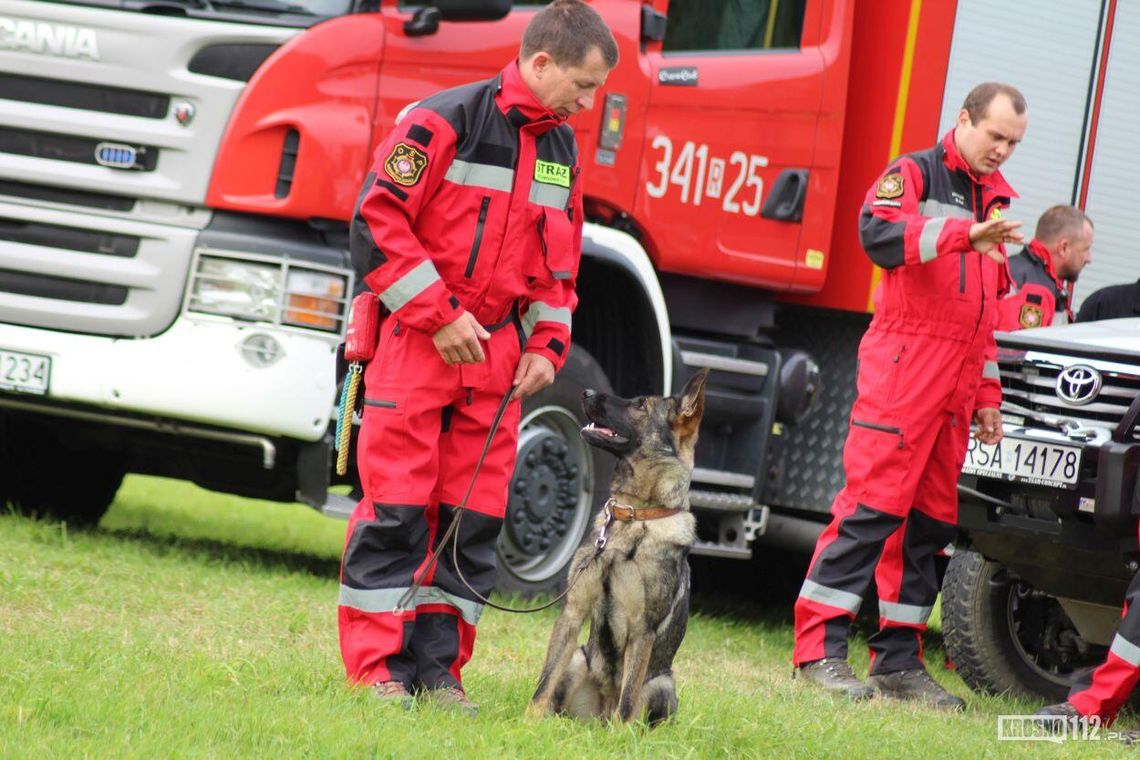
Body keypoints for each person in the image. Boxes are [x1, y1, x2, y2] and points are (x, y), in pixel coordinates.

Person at [337, 0, 617, 715]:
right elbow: (376, 221)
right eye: (584, 86)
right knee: (397, 510)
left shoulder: (560, 150)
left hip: (495, 359)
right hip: (418, 345)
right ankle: (378, 671)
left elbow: (558, 270)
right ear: (542, 62)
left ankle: (439, 674)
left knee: (470, 524)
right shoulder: (443, 122)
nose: (589, 104)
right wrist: (437, 315)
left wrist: (548, 347)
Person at [791, 82, 1029, 709]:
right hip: (905, 373)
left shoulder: (995, 200)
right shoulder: (915, 173)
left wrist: (987, 395)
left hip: (954, 390)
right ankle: (817, 652)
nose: (1002, 151)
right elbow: (876, 235)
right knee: (869, 512)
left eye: (1013, 143)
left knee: (929, 529)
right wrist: (963, 235)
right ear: (964, 119)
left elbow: (983, 318)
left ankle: (898, 663)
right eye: (995, 136)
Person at [997, 205, 1093, 330]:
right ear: (1063, 248)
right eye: (1086, 249)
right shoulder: (1035, 289)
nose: (1089, 259)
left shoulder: (1018, 270)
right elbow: (1018, 342)